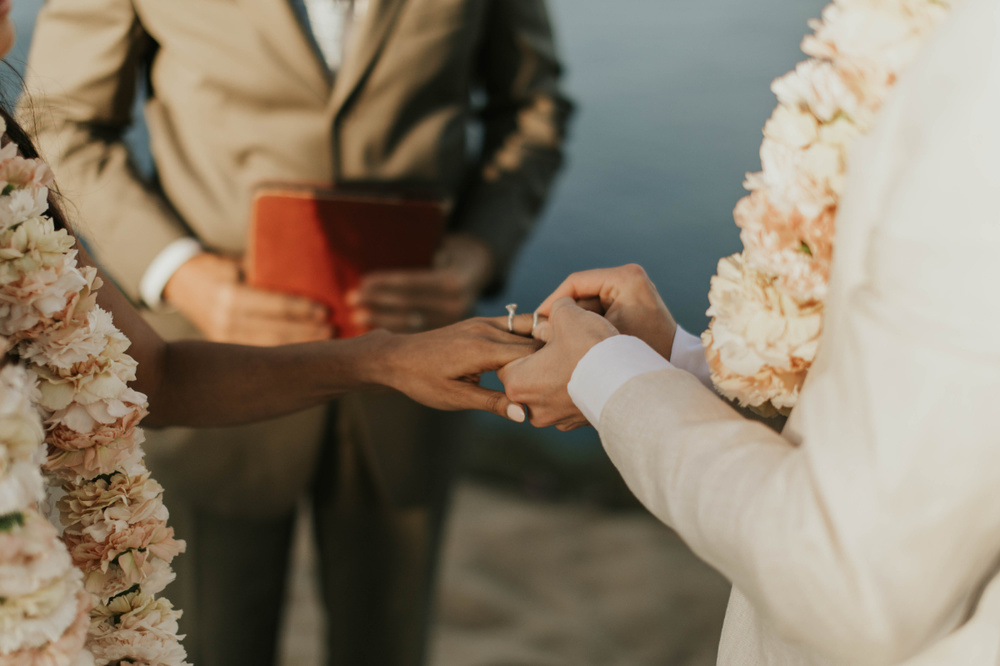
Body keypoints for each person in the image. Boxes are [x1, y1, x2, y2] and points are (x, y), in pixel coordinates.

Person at [18, 0, 571, 664]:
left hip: (422, 360)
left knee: (390, 639)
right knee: (209, 642)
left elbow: (533, 110)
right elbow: (58, 123)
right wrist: (181, 272)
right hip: (211, 360)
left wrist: (478, 249)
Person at [499, 0, 1000, 663]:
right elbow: (919, 437)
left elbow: (848, 575)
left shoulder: (979, 83)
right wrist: (683, 368)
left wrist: (607, 376)